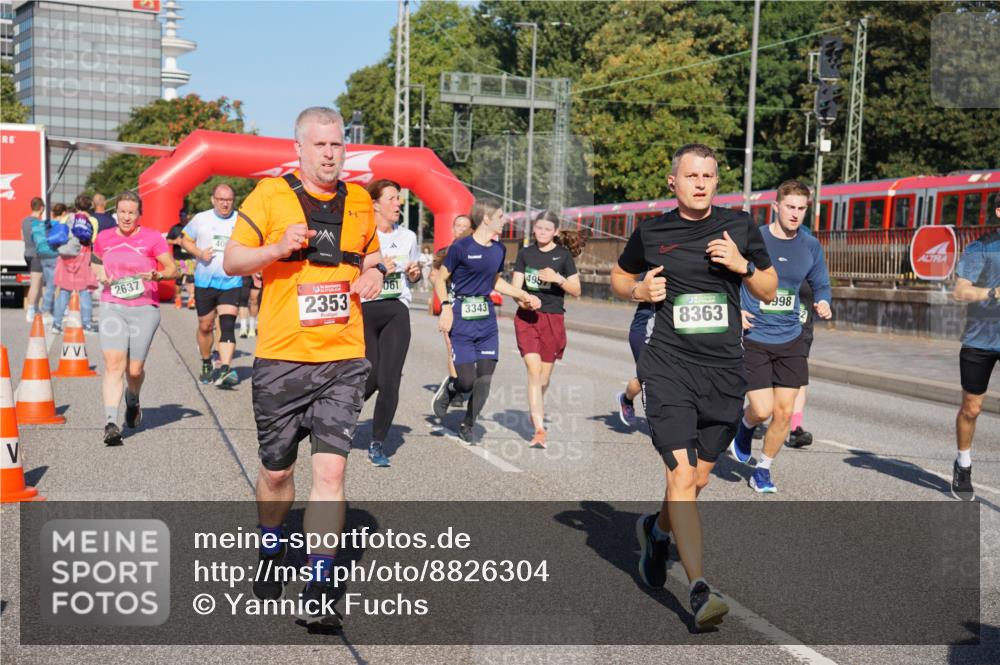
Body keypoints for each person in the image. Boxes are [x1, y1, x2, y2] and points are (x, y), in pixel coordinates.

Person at [224, 106, 384, 628]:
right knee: (277, 472)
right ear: (298, 148)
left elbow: (374, 258)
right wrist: (275, 248)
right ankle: (271, 545)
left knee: (331, 470)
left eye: (337, 144)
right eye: (319, 145)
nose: (330, 154)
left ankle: (319, 583)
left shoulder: (360, 200)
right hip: (281, 357)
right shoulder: (269, 196)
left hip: (342, 356)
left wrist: (375, 276)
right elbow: (232, 261)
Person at [612, 143, 776, 631]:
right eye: (691, 175)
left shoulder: (741, 227)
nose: (701, 182)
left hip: (724, 369)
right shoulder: (653, 230)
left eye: (708, 174)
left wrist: (742, 267)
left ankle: (656, 530)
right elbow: (620, 278)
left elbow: (767, 287)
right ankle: (700, 589)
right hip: (668, 366)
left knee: (699, 480)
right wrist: (639, 291)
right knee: (681, 478)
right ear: (673, 182)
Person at [728, 180, 832, 493]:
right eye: (790, 207)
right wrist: (735, 310)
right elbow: (725, 277)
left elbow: (821, 283)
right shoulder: (754, 239)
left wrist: (824, 300)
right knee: (762, 410)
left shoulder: (810, 245)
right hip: (755, 334)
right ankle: (744, 426)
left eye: (802, 209)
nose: (796, 214)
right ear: (776, 207)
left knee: (784, 412)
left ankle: (763, 469)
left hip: (791, 337)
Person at [433, 200, 540, 444]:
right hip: (461, 317)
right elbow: (441, 279)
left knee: (485, 379)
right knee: (466, 381)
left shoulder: (498, 249)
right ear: (486, 219)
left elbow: (493, 281)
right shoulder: (461, 247)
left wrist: (520, 294)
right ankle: (452, 388)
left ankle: (467, 424)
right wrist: (446, 307)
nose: (505, 220)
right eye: (501, 216)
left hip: (486, 321)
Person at [91, 191, 176, 446]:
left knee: (134, 370)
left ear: (139, 215)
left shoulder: (151, 238)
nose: (126, 217)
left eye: (131, 212)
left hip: (144, 308)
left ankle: (133, 398)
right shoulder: (104, 238)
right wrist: (101, 275)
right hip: (112, 306)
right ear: (116, 213)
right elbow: (95, 262)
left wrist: (157, 276)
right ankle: (110, 423)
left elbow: (172, 268)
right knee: (113, 363)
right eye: (122, 212)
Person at [360, 179, 422, 467]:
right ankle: (337, 421)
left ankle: (377, 443)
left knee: (390, 381)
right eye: (392, 198)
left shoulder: (408, 237)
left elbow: (413, 276)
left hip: (396, 308)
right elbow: (348, 271)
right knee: (368, 376)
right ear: (375, 204)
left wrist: (413, 273)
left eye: (399, 198)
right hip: (365, 310)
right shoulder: (361, 235)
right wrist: (377, 264)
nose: (399, 203)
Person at [510, 211, 585, 448]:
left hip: (553, 319)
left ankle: (536, 408)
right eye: (538, 228)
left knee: (543, 377)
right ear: (534, 229)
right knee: (533, 372)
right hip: (527, 318)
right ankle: (539, 430)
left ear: (554, 231)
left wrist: (557, 279)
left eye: (546, 229)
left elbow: (576, 290)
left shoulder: (562, 256)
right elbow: (515, 289)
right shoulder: (525, 254)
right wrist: (525, 300)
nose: (541, 232)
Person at [950, 191, 1000, 501]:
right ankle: (963, 464)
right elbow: (959, 291)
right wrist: (994, 294)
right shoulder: (980, 248)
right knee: (972, 408)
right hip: (980, 340)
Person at [180, 184, 243, 388]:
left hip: (231, 280)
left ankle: (225, 369)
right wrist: (199, 254)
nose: (225, 203)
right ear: (213, 200)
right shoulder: (201, 218)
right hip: (205, 281)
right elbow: (185, 240)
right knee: (205, 325)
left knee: (227, 325)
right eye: (221, 199)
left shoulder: (241, 220)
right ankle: (207, 363)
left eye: (229, 199)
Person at [429, 213, 473, 411]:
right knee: (452, 348)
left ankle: (464, 382)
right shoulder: (445, 252)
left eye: (465, 226)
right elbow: (433, 276)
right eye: (458, 225)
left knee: (471, 349)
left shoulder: (479, 251)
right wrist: (444, 289)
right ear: (453, 229)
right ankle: (456, 387)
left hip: (472, 307)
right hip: (452, 305)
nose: (461, 229)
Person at [51, 205, 99, 334]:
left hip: (66, 259)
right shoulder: (91, 220)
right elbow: (93, 240)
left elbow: (58, 235)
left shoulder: (66, 218)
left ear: (76, 206)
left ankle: (56, 324)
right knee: (85, 293)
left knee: (64, 293)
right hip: (83, 258)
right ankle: (87, 325)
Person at [786, 278, 815, 448]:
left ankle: (795, 430)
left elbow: (822, 286)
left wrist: (824, 300)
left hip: (802, 331)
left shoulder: (812, 257)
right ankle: (750, 417)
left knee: (800, 380)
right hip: (774, 329)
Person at [616, 302, 654, 427]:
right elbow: (623, 287)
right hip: (643, 330)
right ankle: (626, 400)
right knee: (648, 378)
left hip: (675, 333)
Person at [29, 202, 60, 325]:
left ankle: (48, 310)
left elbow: (32, 239)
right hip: (53, 255)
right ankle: (45, 312)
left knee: (48, 284)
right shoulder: (56, 224)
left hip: (42, 255)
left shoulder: (38, 225)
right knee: (51, 285)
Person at [21, 196, 46, 322]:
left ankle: (36, 308)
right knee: (35, 284)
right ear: (41, 208)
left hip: (27, 253)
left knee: (39, 282)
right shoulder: (40, 223)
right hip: (37, 254)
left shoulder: (24, 221)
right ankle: (31, 311)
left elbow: (22, 237)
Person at [166, 209, 197, 309]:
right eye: (181, 216)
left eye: (184, 216)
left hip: (190, 258)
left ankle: (191, 300)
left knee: (191, 280)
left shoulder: (193, 228)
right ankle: (178, 298)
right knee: (179, 280)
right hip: (179, 258)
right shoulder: (175, 228)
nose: (182, 218)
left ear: (188, 217)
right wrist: (176, 241)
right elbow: (167, 240)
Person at [237, 272, 262, 338]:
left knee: (255, 300)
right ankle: (243, 327)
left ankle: (252, 327)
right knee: (243, 299)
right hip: (246, 271)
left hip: (258, 271)